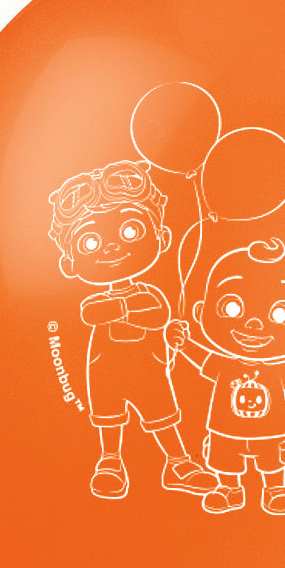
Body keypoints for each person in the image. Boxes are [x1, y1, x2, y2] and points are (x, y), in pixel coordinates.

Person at [48, 160, 217, 499]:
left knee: (162, 417)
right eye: (90, 242)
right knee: (109, 419)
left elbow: (156, 316)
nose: (112, 247)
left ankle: (177, 463)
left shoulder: (149, 294)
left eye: (130, 231)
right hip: (105, 373)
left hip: (150, 371)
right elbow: (92, 313)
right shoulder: (104, 300)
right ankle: (110, 461)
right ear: (69, 263)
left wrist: (123, 310)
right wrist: (128, 309)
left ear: (162, 237)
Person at [165, 238, 285, 515]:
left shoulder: (278, 369)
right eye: (231, 307)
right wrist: (182, 343)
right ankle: (229, 489)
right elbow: (200, 358)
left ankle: (275, 489)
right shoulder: (223, 364)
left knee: (273, 460)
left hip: (271, 431)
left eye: (281, 314)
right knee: (224, 458)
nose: (253, 324)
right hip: (225, 431)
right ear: (200, 312)